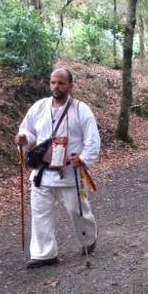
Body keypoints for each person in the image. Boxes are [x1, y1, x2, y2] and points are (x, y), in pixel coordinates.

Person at [14, 68, 101, 269]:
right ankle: (44, 254)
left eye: (61, 83)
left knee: (76, 210)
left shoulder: (81, 109)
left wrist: (84, 158)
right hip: (42, 174)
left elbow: (92, 140)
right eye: (53, 82)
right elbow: (29, 131)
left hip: (69, 172)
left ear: (70, 86)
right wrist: (23, 138)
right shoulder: (39, 107)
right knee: (40, 212)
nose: (56, 86)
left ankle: (89, 240)